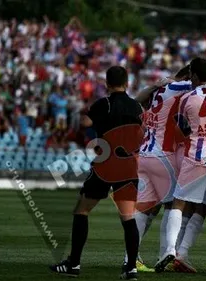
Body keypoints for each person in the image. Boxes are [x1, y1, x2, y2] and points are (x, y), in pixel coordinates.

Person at [49, 66, 144, 280]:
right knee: (128, 218)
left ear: (107, 84)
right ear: (127, 83)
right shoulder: (137, 106)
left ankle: (73, 264)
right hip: (129, 165)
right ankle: (131, 268)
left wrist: (86, 112)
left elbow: (86, 123)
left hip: (106, 164)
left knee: (81, 210)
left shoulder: (104, 103)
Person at [155, 57, 206, 277]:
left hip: (195, 158)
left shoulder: (187, 98)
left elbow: (182, 127)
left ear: (192, 76)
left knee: (179, 203)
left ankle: (170, 250)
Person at [121, 66, 192, 272]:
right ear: (189, 76)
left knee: (144, 208)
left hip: (145, 154)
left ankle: (130, 258)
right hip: (163, 156)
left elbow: (137, 101)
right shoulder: (182, 86)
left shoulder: (160, 87)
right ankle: (166, 253)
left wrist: (154, 84)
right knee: (172, 207)